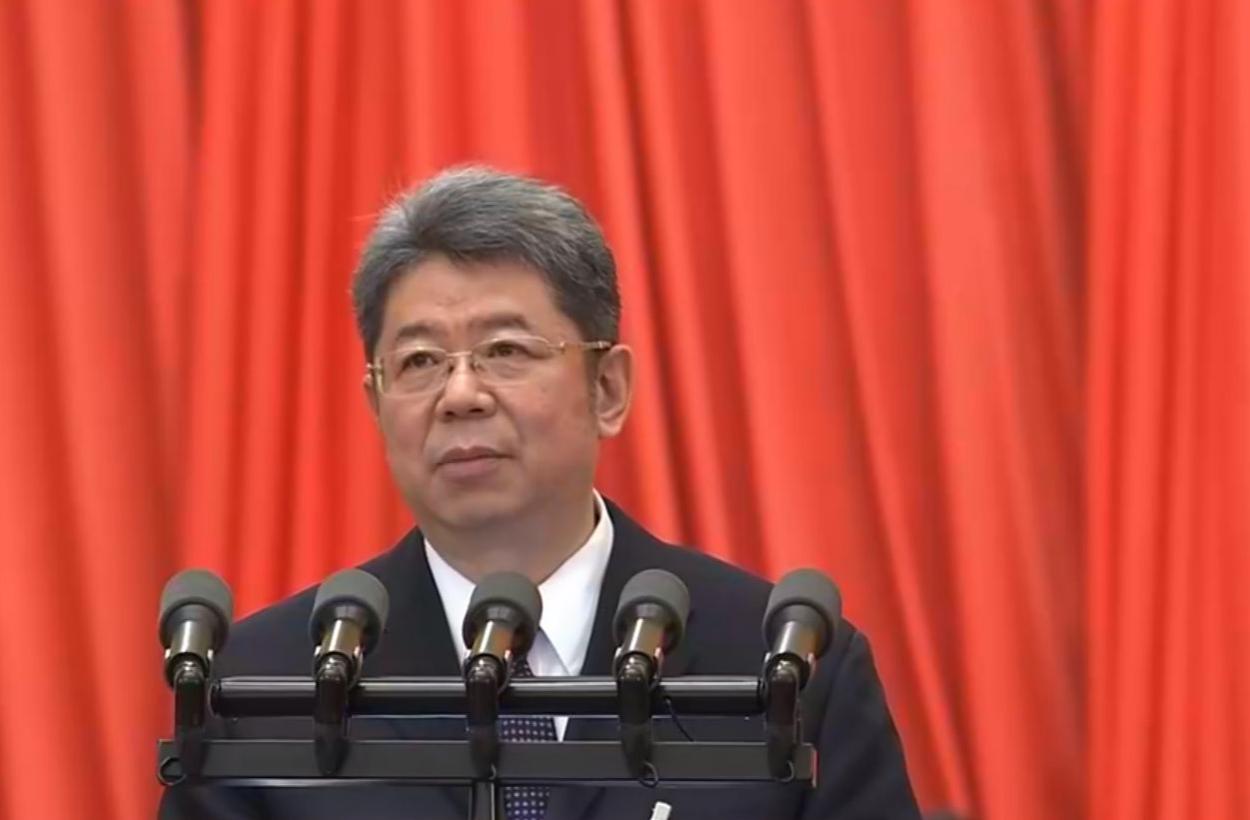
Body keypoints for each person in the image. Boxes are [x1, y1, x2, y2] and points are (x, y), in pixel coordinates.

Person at [158, 167, 921, 819]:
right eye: (420, 361)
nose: (461, 394)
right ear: (376, 402)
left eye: (505, 350)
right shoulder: (267, 686)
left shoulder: (780, 664)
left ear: (608, 388)